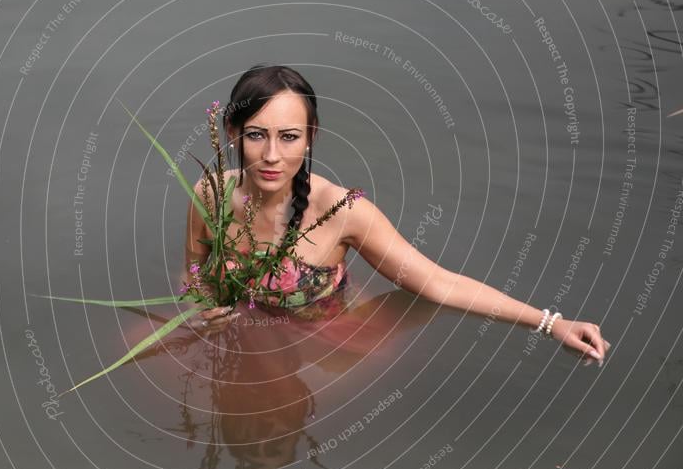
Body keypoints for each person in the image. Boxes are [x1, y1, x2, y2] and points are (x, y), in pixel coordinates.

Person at [183, 64, 610, 364]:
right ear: (233, 133)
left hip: (326, 337)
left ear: (311, 138)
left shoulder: (345, 213)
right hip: (241, 330)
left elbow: (439, 284)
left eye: (289, 137)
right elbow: (194, 273)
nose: (273, 155)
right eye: (257, 135)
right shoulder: (211, 192)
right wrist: (205, 308)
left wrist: (550, 323)